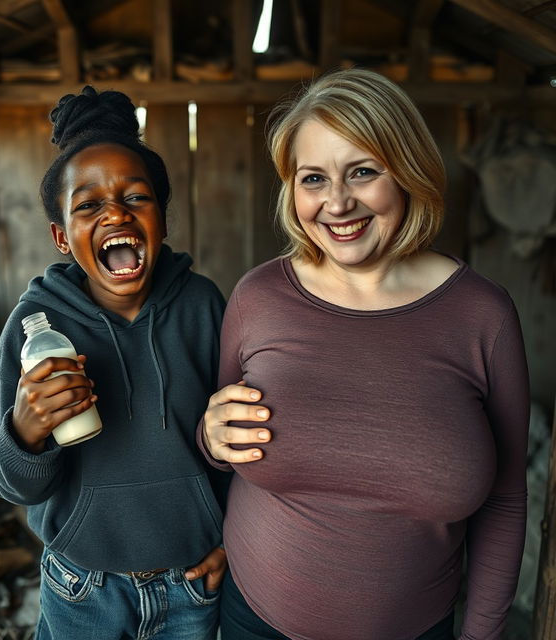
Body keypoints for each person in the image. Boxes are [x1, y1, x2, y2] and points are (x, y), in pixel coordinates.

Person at [199, 68, 529, 640]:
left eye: (363, 171)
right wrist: (211, 437)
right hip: (255, 621)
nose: (337, 202)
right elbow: (218, 451)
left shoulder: (484, 316)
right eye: (313, 179)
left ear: (407, 171)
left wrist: (482, 634)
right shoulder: (258, 298)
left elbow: (504, 500)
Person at [0, 86, 229, 640]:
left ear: (163, 217)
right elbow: (4, 480)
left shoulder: (205, 306)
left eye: (136, 198)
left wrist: (234, 540)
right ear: (62, 237)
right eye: (88, 205)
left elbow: (250, 441)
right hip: (82, 589)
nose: (114, 211)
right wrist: (25, 432)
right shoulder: (33, 325)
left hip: (192, 582)